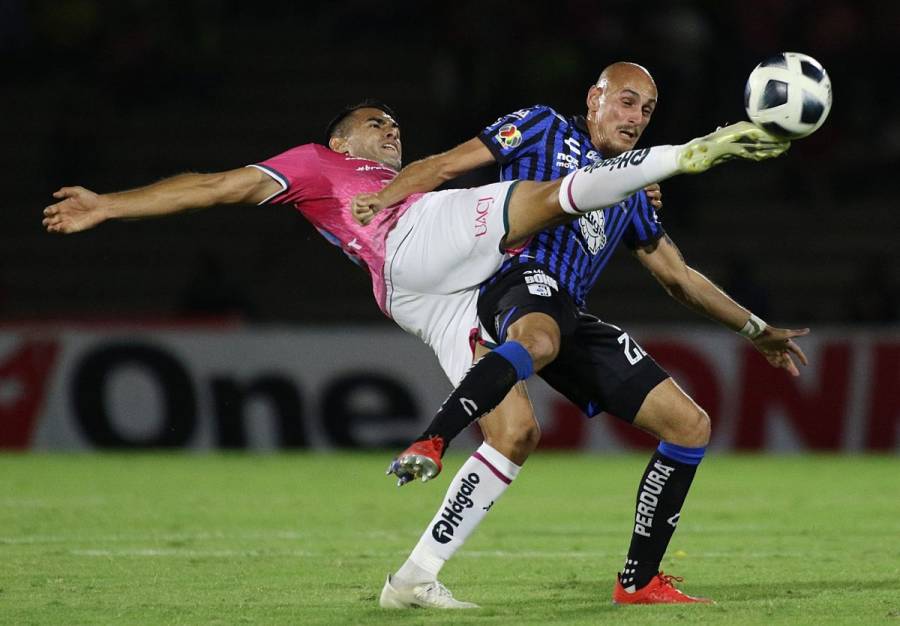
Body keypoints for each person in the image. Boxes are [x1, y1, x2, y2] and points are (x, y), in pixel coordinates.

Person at [43, 99, 789, 609]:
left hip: (443, 298)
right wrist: (110, 204)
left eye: (396, 124)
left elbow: (675, 275)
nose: (389, 130)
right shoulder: (318, 165)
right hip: (411, 242)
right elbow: (214, 186)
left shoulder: (410, 178)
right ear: (339, 143)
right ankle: (690, 154)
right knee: (541, 195)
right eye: (376, 124)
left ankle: (415, 575)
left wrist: (752, 323)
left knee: (516, 433)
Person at [354, 65, 808, 609]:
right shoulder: (542, 127)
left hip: (570, 312)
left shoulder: (633, 189)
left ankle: (638, 581)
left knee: (689, 427)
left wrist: (756, 329)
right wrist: (387, 202)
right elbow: (448, 164)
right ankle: (434, 437)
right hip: (513, 281)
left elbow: (679, 278)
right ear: (594, 98)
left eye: (646, 109)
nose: (635, 118)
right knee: (540, 338)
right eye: (625, 101)